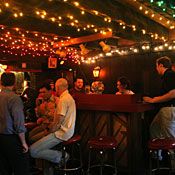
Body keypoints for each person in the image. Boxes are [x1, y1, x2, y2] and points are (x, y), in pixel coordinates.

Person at [30, 78, 76, 166]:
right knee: (33, 140)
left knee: (33, 151)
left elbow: (58, 122)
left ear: (58, 87)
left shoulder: (63, 100)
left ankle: (62, 157)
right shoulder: (68, 98)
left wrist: (48, 132)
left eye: (55, 88)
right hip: (66, 131)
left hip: (61, 133)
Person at [0, 72, 29, 175]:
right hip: (11, 138)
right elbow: (19, 123)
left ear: (1, 82)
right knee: (21, 168)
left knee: (3, 168)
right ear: (14, 83)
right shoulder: (15, 98)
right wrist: (23, 143)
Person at [143, 56, 175, 139]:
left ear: (161, 65)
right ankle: (158, 151)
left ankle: (171, 151)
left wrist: (153, 100)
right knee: (154, 129)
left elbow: (173, 93)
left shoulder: (169, 74)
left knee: (170, 137)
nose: (156, 69)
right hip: (167, 109)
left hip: (169, 109)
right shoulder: (168, 75)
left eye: (156, 66)